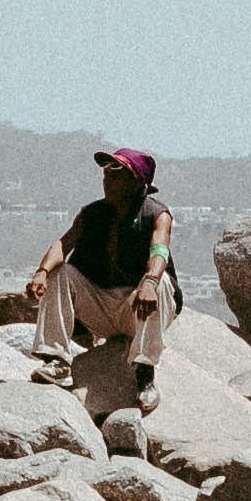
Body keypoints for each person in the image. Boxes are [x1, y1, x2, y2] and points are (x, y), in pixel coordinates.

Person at [28, 147, 178, 408]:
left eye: (117, 177)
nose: (108, 182)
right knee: (58, 272)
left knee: (162, 283)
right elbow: (63, 245)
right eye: (106, 176)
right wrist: (42, 272)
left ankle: (145, 375)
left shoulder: (156, 214)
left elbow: (160, 249)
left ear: (137, 183)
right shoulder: (92, 214)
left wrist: (150, 281)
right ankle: (57, 362)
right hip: (100, 307)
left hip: (138, 308)